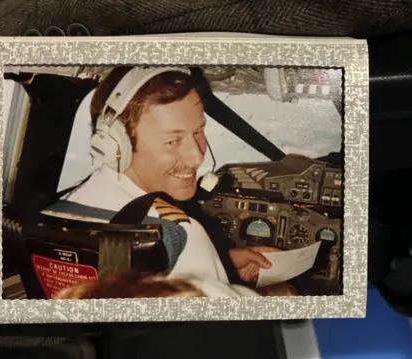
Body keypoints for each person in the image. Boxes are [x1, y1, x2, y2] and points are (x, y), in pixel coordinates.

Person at [64, 65, 296, 297]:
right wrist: (273, 295)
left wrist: (220, 262)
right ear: (116, 144)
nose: (197, 156)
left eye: (198, 132)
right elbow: (231, 330)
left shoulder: (62, 206)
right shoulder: (179, 233)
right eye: (172, 141)